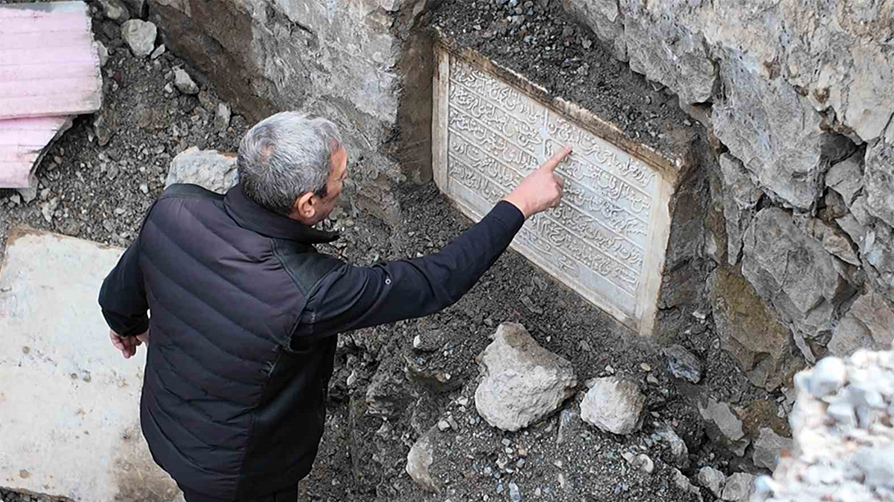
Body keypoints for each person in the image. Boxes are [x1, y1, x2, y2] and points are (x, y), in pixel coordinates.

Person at [99, 111, 570, 502]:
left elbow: (116, 298)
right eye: (340, 179)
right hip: (240, 474)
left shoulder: (174, 209)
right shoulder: (308, 291)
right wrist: (520, 203)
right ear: (307, 203)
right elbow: (435, 282)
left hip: (167, 428)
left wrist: (128, 324)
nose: (345, 183)